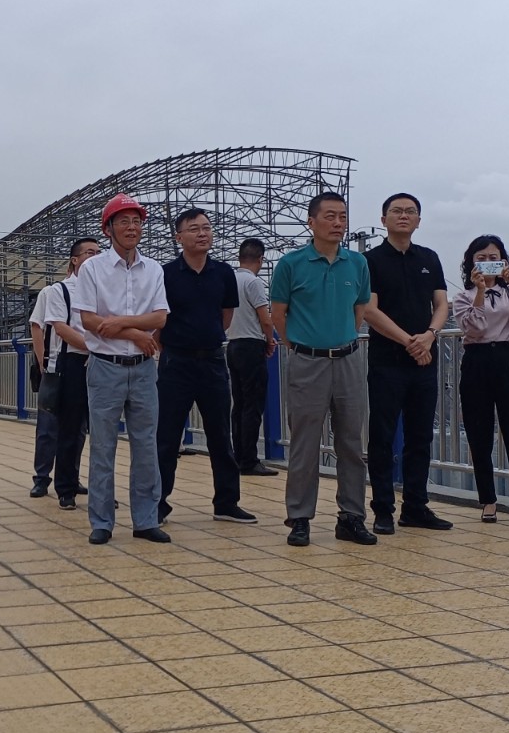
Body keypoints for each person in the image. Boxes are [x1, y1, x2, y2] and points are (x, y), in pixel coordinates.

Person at [269, 191, 378, 548]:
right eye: (329, 216)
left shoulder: (357, 264)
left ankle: (351, 517)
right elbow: (278, 315)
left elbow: (359, 310)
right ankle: (300, 518)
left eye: (342, 216)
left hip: (347, 359)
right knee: (305, 443)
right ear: (311, 222)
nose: (337, 223)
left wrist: (341, 339)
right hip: (307, 361)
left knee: (351, 442)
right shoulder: (291, 264)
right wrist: (300, 345)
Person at [74, 193, 169, 545]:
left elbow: (160, 317)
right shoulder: (92, 269)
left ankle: (146, 519)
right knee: (103, 446)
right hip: (105, 366)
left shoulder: (154, 269)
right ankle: (101, 521)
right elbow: (89, 320)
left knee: (146, 445)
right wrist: (133, 333)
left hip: (143, 369)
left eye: (137, 221)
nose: (132, 228)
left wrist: (118, 323)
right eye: (124, 221)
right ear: (108, 228)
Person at [362, 193, 453, 535]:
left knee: (420, 436)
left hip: (424, 361)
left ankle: (415, 506)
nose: (404, 216)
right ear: (383, 219)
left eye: (410, 211)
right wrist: (410, 342)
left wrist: (429, 335)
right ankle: (383, 509)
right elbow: (369, 310)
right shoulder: (369, 260)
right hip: (387, 361)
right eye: (397, 211)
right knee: (382, 436)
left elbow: (441, 304)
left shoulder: (429, 258)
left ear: (419, 220)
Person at [156, 208, 254, 524]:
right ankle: (157, 504)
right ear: (178, 237)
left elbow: (226, 316)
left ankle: (226, 503)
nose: (203, 233)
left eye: (207, 228)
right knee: (167, 436)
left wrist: (206, 338)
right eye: (194, 228)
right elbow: (158, 320)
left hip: (212, 361)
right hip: (176, 363)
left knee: (220, 435)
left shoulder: (223, 273)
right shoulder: (165, 274)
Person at [453, 235, 509, 525]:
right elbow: (474, 328)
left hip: (508, 360)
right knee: (479, 434)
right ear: (471, 262)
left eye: (494, 258)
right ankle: (488, 500)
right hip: (477, 361)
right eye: (482, 258)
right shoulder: (463, 297)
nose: (488, 263)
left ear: (503, 261)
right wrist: (480, 291)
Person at [27, 238, 97, 508]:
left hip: (95, 363)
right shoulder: (55, 291)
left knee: (82, 428)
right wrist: (42, 361)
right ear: (74, 260)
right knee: (52, 425)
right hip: (62, 364)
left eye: (98, 252)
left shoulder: (102, 290)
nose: (96, 257)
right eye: (90, 253)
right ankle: (43, 478)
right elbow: (39, 326)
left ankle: (73, 477)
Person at [227, 238, 277, 477]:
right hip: (251, 346)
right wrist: (270, 340)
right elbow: (265, 318)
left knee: (238, 404)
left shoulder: (230, 280)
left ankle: (237, 456)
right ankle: (249, 460)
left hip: (233, 344)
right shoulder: (253, 282)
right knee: (253, 405)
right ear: (260, 259)